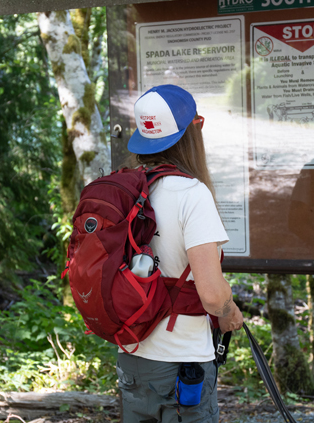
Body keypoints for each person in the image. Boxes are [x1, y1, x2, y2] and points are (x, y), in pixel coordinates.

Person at [117, 84, 244, 423]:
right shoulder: (191, 193)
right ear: (192, 131)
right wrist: (228, 312)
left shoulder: (125, 189)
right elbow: (213, 296)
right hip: (182, 363)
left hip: (131, 357)